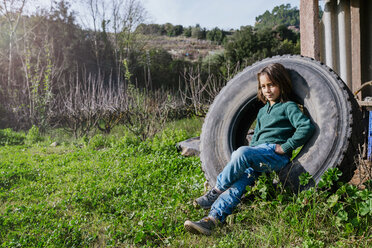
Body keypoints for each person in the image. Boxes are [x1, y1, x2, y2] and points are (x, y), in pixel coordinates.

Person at [184, 63, 315, 236]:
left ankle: (216, 190)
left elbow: (306, 127)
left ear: (282, 84)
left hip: (275, 156)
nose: (267, 90)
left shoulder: (288, 107)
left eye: (271, 85)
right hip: (259, 154)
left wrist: (286, 146)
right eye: (263, 86)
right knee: (238, 184)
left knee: (241, 152)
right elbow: (258, 138)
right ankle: (212, 220)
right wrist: (252, 155)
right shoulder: (262, 112)